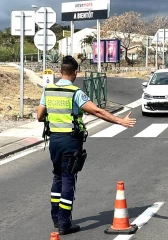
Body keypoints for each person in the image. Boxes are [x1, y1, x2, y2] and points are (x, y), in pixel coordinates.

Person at [36, 55, 136, 235]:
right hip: (70, 142)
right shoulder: (75, 93)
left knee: (57, 177)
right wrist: (120, 121)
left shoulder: (48, 90)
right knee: (68, 179)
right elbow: (97, 111)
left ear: (60, 71)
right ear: (75, 72)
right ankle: (65, 223)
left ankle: (56, 218)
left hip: (54, 141)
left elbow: (39, 116)